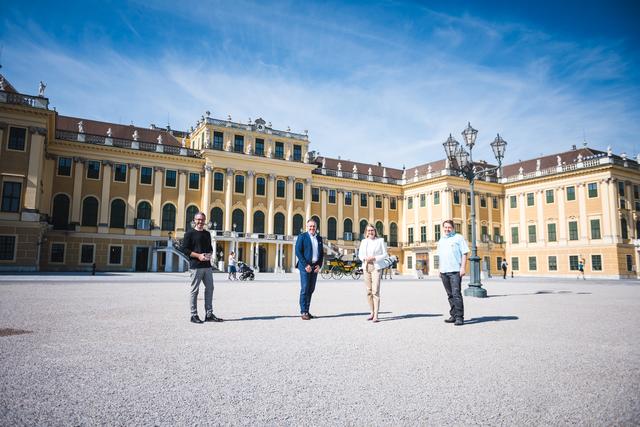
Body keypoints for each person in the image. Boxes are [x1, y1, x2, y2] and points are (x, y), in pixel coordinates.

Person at [182, 212, 223, 324]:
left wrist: (209, 254)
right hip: (195, 266)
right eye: (198, 219)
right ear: (194, 220)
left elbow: (210, 248)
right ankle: (193, 315)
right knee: (194, 290)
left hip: (207, 266)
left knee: (210, 288)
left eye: (202, 220)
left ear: (205, 221)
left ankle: (209, 314)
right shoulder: (189, 234)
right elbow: (185, 249)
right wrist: (198, 256)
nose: (200, 222)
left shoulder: (207, 234)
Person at [437, 219, 469, 326]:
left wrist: (463, 268)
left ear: (453, 228)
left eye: (449, 227)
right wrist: (439, 269)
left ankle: (460, 317)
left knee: (456, 294)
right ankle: (453, 315)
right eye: (445, 227)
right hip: (444, 271)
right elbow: (440, 256)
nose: (447, 229)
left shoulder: (458, 238)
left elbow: (464, 253)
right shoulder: (441, 240)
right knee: (450, 295)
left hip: (455, 270)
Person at [358, 224, 388, 323]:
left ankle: (376, 315)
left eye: (372, 230)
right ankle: (371, 311)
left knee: (375, 291)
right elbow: (360, 254)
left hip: (376, 267)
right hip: (366, 266)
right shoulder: (363, 241)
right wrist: (364, 258)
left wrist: (374, 258)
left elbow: (385, 254)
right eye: (368, 230)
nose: (370, 232)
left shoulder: (380, 241)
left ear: (375, 231)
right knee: (368, 291)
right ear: (366, 232)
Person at [295, 219, 324, 320]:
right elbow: (298, 251)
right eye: (310, 226)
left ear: (316, 227)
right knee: (305, 288)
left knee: (311, 289)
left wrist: (319, 265)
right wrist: (305, 265)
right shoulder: (302, 237)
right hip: (304, 267)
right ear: (307, 227)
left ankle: (307, 310)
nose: (312, 228)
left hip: (314, 266)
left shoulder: (319, 238)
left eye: (314, 226)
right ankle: (303, 312)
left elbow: (321, 254)